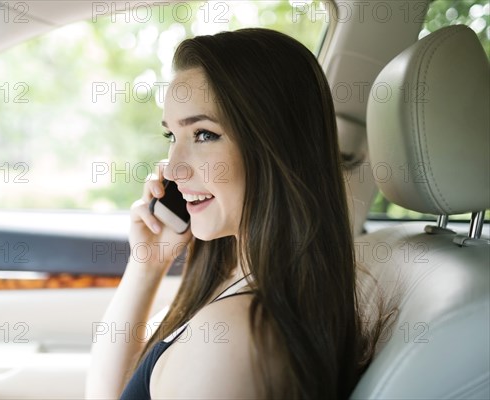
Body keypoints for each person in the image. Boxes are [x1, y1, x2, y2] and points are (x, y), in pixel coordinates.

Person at [86, 28, 387, 399]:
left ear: (274, 146)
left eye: (204, 134)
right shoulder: (237, 279)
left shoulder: (233, 335)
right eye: (172, 137)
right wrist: (147, 263)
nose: (175, 170)